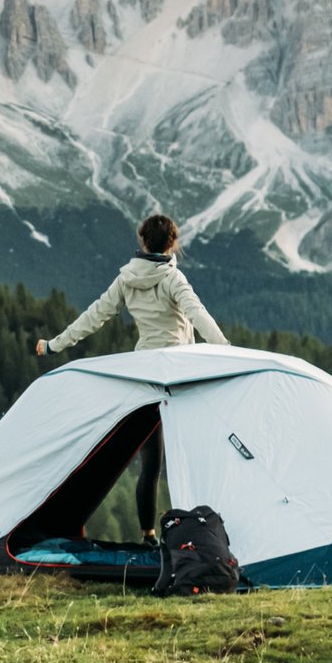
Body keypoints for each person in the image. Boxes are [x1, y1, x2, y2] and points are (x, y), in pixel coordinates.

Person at [35, 214, 229, 545]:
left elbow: (93, 317)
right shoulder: (173, 280)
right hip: (181, 378)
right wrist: (226, 351)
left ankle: (149, 535)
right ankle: (204, 537)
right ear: (173, 243)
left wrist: (54, 345)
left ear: (142, 242)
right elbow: (199, 316)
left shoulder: (126, 280)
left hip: (145, 376)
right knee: (197, 457)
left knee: (150, 464)